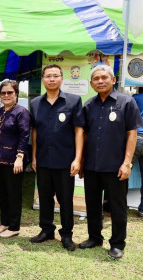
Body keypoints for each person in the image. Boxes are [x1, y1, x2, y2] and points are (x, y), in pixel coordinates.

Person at [79, 65, 143, 259]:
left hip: (116, 166)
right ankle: (94, 237)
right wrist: (81, 161)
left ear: (113, 80)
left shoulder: (126, 102)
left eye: (104, 77)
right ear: (91, 83)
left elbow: (132, 133)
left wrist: (127, 163)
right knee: (92, 204)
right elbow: (85, 134)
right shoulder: (89, 105)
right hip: (92, 165)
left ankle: (117, 244)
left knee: (117, 206)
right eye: (96, 78)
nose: (100, 81)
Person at [30, 64, 85, 251]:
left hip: (65, 161)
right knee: (45, 197)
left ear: (61, 78)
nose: (51, 79)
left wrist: (78, 159)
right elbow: (35, 132)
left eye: (55, 76)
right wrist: (34, 157)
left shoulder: (73, 101)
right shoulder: (35, 103)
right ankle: (46, 230)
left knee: (65, 199)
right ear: (43, 79)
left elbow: (79, 131)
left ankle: (67, 234)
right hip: (43, 160)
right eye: (48, 76)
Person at [0, 80, 30, 238]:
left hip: (14, 161)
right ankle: (5, 222)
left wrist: (20, 157)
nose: (6, 95)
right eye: (3, 93)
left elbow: (24, 136)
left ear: (16, 94)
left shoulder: (21, 112)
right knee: (2, 193)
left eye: (10, 92)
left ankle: (14, 227)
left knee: (13, 194)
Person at [131, 87, 143, 217]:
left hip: (136, 139)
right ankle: (142, 209)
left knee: (122, 173)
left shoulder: (135, 98)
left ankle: (113, 204)